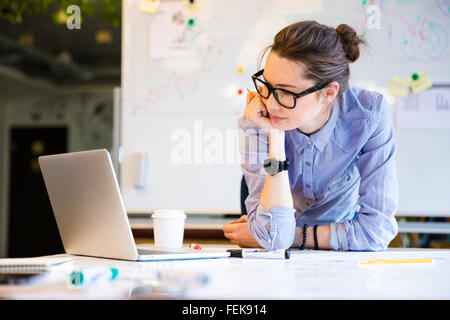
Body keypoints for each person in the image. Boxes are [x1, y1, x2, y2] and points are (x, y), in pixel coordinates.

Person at [222, 21, 399, 251]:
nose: (270, 103)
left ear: (328, 93)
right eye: (267, 84)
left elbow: (375, 232)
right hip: (295, 239)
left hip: (341, 249)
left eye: (286, 92)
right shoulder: (259, 116)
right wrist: (275, 138)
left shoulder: (369, 115)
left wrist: (293, 237)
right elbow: (273, 239)